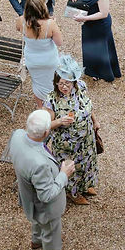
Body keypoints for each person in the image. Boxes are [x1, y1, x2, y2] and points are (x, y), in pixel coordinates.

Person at [8, 109, 76, 250]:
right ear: (46, 132)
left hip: (28, 196)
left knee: (37, 219)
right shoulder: (39, 164)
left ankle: (36, 240)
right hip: (46, 207)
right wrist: (63, 175)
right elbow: (46, 195)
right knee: (51, 233)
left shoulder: (17, 135)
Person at [43, 55, 99, 206]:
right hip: (67, 147)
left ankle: (86, 186)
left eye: (68, 83)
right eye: (60, 83)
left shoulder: (81, 86)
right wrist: (60, 121)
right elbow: (46, 125)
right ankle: (72, 193)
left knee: (87, 163)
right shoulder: (51, 99)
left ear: (74, 82)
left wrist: (95, 121)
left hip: (86, 141)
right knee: (72, 170)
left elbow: (88, 104)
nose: (64, 87)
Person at [71, 0, 121, 82]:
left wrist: (85, 18)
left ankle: (104, 72)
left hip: (100, 25)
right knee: (89, 46)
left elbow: (103, 13)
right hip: (88, 23)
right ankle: (92, 70)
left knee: (100, 48)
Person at [15, 0, 63, 107]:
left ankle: (41, 108)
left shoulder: (21, 20)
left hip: (32, 60)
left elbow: (18, 29)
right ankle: (55, 107)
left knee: (37, 84)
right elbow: (59, 42)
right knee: (53, 84)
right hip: (49, 60)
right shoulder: (50, 24)